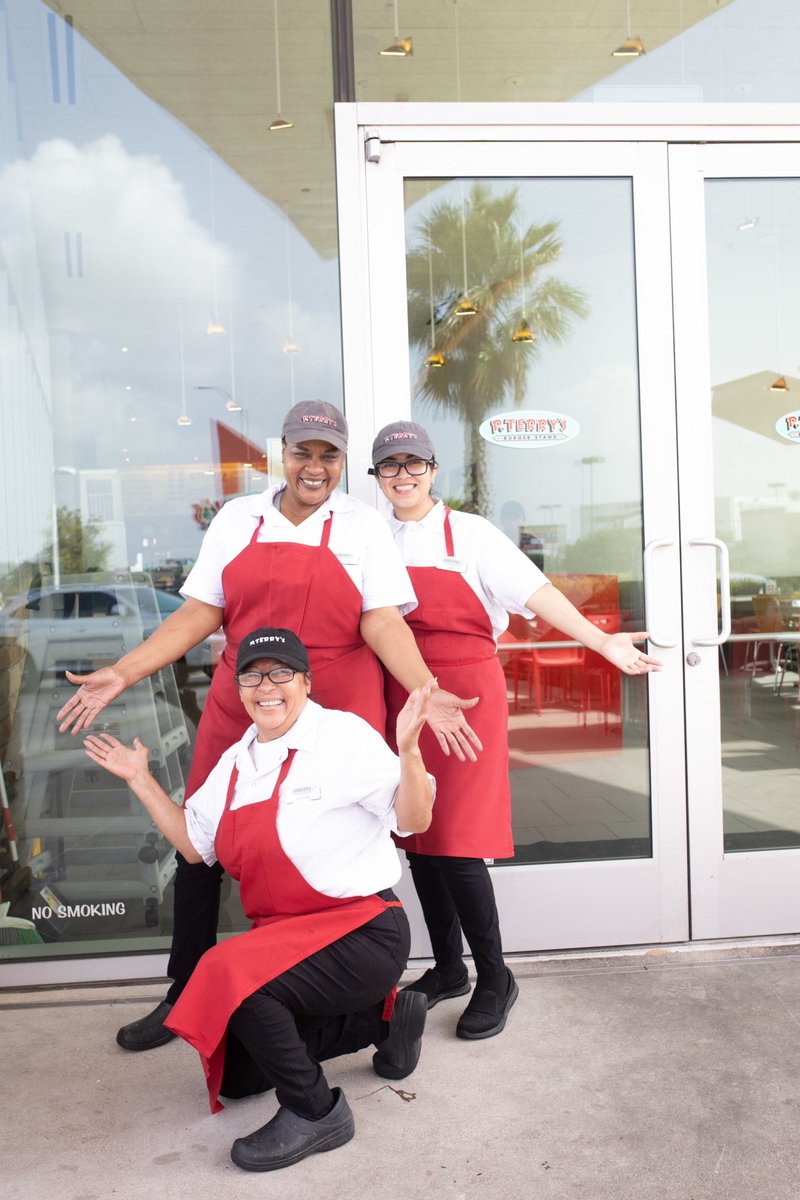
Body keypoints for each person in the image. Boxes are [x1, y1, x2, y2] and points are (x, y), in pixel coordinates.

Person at [57, 401, 479, 1051]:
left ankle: (367, 1001)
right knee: (200, 839)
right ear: (281, 452)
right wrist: (126, 670)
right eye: (303, 452)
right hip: (245, 698)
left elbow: (382, 621)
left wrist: (425, 688)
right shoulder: (237, 519)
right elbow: (200, 614)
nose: (315, 466)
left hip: (337, 697)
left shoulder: (361, 526)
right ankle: (186, 989)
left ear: (343, 462)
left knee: (340, 841)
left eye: (329, 455)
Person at [82, 626, 435, 1173]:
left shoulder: (341, 737)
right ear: (239, 687)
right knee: (241, 1077)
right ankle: (383, 1023)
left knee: (230, 975)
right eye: (252, 675)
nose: (266, 687)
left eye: (281, 673)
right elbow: (197, 850)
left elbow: (413, 820)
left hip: (362, 932)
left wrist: (409, 753)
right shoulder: (236, 762)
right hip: (284, 942)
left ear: (306, 681)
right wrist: (141, 780)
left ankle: (318, 1112)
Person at [369, 421, 661, 1041]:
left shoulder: (470, 534)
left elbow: (538, 592)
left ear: (432, 470)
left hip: (467, 693)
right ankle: (449, 969)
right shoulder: (370, 537)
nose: (402, 476)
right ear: (376, 476)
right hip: (403, 691)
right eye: (389, 466)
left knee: (456, 836)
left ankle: (495, 976)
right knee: (414, 831)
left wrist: (602, 640)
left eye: (412, 464)